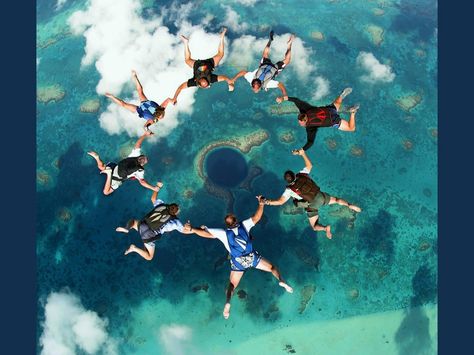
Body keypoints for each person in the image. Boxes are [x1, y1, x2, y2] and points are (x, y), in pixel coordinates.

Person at [184, 196, 293, 319]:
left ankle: (228, 302)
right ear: (236, 220)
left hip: (238, 261)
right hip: (252, 257)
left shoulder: (223, 233)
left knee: (231, 285)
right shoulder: (244, 225)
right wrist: (261, 204)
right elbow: (257, 217)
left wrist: (193, 229)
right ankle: (281, 281)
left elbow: (206, 234)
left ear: (227, 224)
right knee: (273, 267)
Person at [263, 149, 361, 239]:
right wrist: (303, 154)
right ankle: (349, 205)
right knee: (336, 200)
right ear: (294, 174)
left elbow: (280, 202)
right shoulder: (302, 174)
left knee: (314, 226)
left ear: (287, 181)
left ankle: (325, 228)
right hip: (320, 196)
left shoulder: (289, 190)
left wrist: (266, 202)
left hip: (312, 205)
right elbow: (310, 165)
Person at [115, 182, 192, 261]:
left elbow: (153, 198)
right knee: (149, 257)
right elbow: (183, 231)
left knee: (133, 221)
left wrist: (157, 187)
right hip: (149, 235)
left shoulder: (161, 205)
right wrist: (191, 228)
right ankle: (134, 248)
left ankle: (127, 228)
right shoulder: (175, 221)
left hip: (143, 225)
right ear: (175, 213)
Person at [279, 88, 360, 152]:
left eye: (300, 123)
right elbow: (296, 100)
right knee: (337, 104)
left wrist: (302, 150)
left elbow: (310, 142)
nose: (299, 123)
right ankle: (342, 95)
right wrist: (284, 99)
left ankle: (352, 113)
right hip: (329, 110)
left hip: (333, 120)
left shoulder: (310, 127)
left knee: (351, 128)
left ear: (304, 121)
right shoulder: (306, 109)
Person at [170, 28, 234, 104]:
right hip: (208, 63)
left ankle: (186, 42)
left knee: (187, 59)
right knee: (220, 54)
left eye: (202, 82)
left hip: (199, 64)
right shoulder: (209, 80)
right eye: (206, 82)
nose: (204, 81)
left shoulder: (196, 82)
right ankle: (221, 37)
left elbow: (181, 87)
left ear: (199, 84)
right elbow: (224, 77)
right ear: (207, 83)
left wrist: (175, 97)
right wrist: (229, 82)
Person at [87, 131, 159, 195]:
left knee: (101, 167)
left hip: (115, 167)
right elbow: (142, 182)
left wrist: (145, 134)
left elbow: (138, 144)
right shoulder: (140, 170)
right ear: (142, 164)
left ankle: (97, 158)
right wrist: (153, 188)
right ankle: (109, 174)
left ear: (140, 156)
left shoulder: (135, 155)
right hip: (117, 177)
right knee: (106, 192)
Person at [230, 31, 294, 102]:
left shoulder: (267, 85)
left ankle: (289, 45)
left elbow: (280, 85)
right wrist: (233, 79)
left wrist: (285, 95)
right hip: (265, 64)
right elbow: (242, 72)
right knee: (265, 54)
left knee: (287, 60)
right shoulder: (251, 79)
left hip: (274, 68)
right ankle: (270, 41)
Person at [105, 70, 172, 131]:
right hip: (145, 103)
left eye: (160, 117)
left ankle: (112, 97)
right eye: (160, 116)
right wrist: (173, 100)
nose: (160, 118)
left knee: (123, 104)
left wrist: (147, 130)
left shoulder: (156, 116)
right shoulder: (158, 112)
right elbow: (168, 99)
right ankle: (135, 76)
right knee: (140, 91)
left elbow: (145, 126)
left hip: (140, 110)